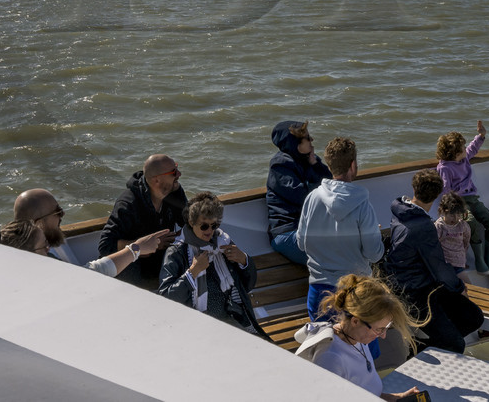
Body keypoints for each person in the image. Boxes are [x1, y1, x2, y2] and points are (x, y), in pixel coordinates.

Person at [384, 168, 484, 353]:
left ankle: (430, 347)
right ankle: (422, 352)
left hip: (415, 284)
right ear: (437, 195)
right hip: (415, 294)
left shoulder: (402, 211)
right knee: (457, 342)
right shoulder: (423, 226)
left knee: (474, 317)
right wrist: (459, 288)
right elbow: (438, 266)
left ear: (414, 189)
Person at [294, 274, 425, 400]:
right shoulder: (331, 358)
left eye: (386, 328)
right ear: (355, 321)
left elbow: (365, 392)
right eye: (379, 329)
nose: (383, 336)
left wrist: (395, 398)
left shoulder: (357, 338)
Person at [297, 136, 384, 320]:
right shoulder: (363, 205)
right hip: (355, 294)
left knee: (324, 346)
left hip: (319, 293)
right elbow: (374, 254)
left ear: (329, 166)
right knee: (362, 347)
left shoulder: (312, 198)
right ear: (353, 165)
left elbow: (301, 244)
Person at [0, 188, 172, 277]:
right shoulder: (36, 259)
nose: (63, 215)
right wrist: (136, 249)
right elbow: (88, 276)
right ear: (38, 223)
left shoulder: (34, 249)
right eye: (57, 212)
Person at [158, 191, 260, 334]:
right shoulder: (177, 252)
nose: (210, 231)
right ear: (191, 222)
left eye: (214, 225)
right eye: (204, 226)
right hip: (195, 326)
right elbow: (165, 298)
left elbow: (247, 286)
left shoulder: (222, 243)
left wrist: (244, 260)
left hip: (232, 318)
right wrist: (192, 272)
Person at [99, 154, 187, 288]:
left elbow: (189, 221)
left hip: (162, 263)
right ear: (157, 180)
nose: (179, 174)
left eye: (176, 168)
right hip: (135, 269)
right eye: (174, 172)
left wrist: (180, 236)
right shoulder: (129, 204)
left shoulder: (174, 192)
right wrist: (143, 246)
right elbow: (105, 245)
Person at [435, 120, 489, 275]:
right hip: (460, 202)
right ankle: (479, 259)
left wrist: (481, 135)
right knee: (472, 223)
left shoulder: (463, 159)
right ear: (455, 153)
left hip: (473, 198)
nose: (465, 149)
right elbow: (446, 191)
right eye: (462, 147)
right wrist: (454, 209)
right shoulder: (445, 168)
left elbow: (473, 148)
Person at [266, 120, 331, 265]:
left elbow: (331, 185)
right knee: (332, 257)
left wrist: (316, 164)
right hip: (288, 231)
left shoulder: (309, 160)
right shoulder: (280, 165)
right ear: (294, 143)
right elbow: (305, 198)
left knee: (350, 247)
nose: (311, 140)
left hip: (311, 230)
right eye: (307, 138)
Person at [434, 192, 470, 271]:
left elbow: (466, 242)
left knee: (466, 282)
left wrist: (462, 259)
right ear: (443, 211)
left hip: (459, 262)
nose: (455, 218)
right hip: (445, 263)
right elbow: (434, 245)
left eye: (458, 214)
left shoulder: (463, 225)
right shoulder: (440, 226)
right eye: (452, 215)